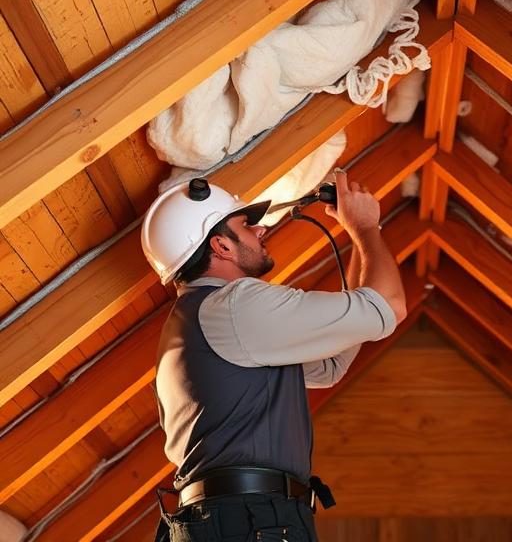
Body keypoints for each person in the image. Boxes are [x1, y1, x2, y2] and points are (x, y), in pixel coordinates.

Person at [140, 171, 406, 541]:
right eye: (246, 226)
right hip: (250, 519)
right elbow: (389, 308)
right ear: (221, 246)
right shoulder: (235, 306)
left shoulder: (203, 316)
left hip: (238, 519)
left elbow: (331, 365)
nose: (261, 230)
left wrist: (360, 249)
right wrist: (365, 228)